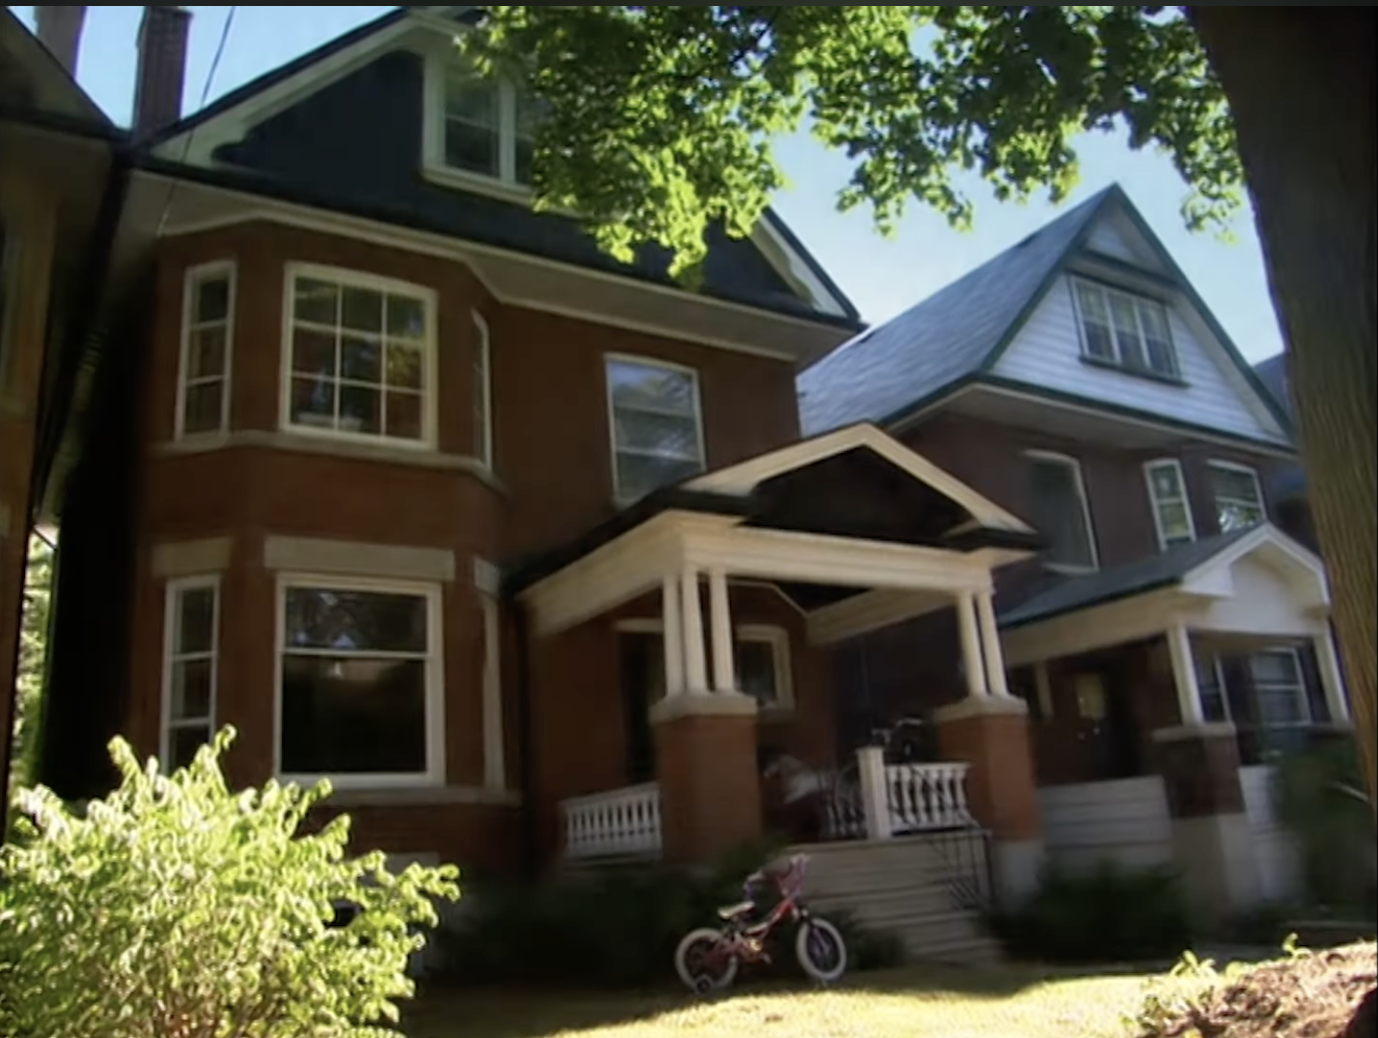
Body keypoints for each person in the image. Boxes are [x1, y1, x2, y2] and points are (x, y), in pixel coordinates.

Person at [761, 750, 825, 842]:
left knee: (790, 806)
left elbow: (767, 774)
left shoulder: (782, 760)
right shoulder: (790, 762)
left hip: (803, 788)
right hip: (810, 787)